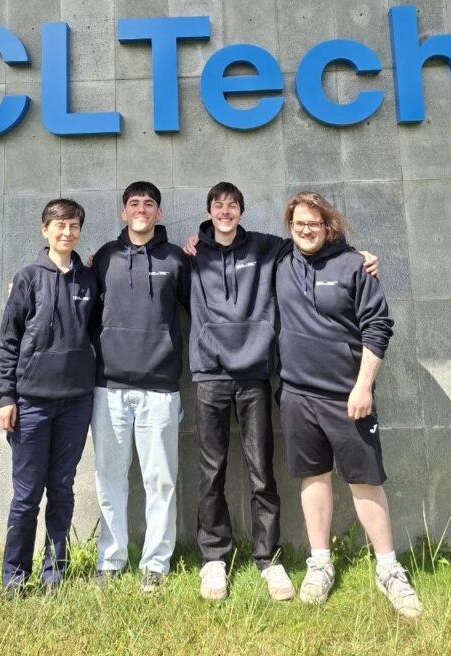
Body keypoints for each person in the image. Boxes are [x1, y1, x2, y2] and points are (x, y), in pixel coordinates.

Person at [186, 182, 379, 602]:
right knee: (210, 471)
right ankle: (214, 558)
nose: (225, 211)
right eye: (218, 205)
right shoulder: (192, 255)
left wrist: (356, 256)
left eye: (232, 204)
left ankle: (268, 558)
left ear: (241, 210)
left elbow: (313, 244)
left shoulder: (267, 247)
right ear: (209, 211)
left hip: (256, 374)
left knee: (261, 471)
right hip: (209, 376)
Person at [275, 191, 422, 616]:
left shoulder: (355, 265)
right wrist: (196, 241)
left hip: (348, 397)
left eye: (313, 223)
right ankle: (320, 564)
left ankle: (389, 569)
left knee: (365, 480)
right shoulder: (280, 259)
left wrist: (363, 387)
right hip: (297, 395)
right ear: (290, 226)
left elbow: (378, 325)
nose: (305, 230)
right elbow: (233, 240)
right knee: (313, 478)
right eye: (299, 223)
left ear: (328, 226)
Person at [90, 181, 190, 592]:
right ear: (124, 212)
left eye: (149, 204)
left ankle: (155, 564)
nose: (142, 209)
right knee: (109, 478)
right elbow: (77, 300)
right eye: (134, 203)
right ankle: (110, 560)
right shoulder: (104, 258)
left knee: (160, 482)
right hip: (109, 387)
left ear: (159, 213)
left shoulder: (176, 260)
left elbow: (202, 306)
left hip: (161, 388)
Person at [0, 197, 99, 596]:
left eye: (73, 226)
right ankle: (14, 576)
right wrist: (6, 397)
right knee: (26, 496)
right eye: (60, 225)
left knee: (61, 490)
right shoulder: (27, 278)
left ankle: (54, 573)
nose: (67, 232)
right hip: (31, 404)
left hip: (76, 401)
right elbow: (9, 341)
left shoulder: (89, 280)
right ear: (45, 230)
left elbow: (97, 332)